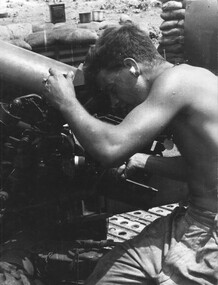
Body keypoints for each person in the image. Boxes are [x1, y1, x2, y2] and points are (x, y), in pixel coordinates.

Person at [42, 23, 218, 285]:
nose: (114, 102)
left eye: (112, 88)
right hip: (197, 217)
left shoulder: (176, 82)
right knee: (111, 270)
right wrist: (144, 160)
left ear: (132, 66)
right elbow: (205, 166)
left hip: (208, 230)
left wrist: (66, 101)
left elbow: (109, 150)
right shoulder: (196, 78)